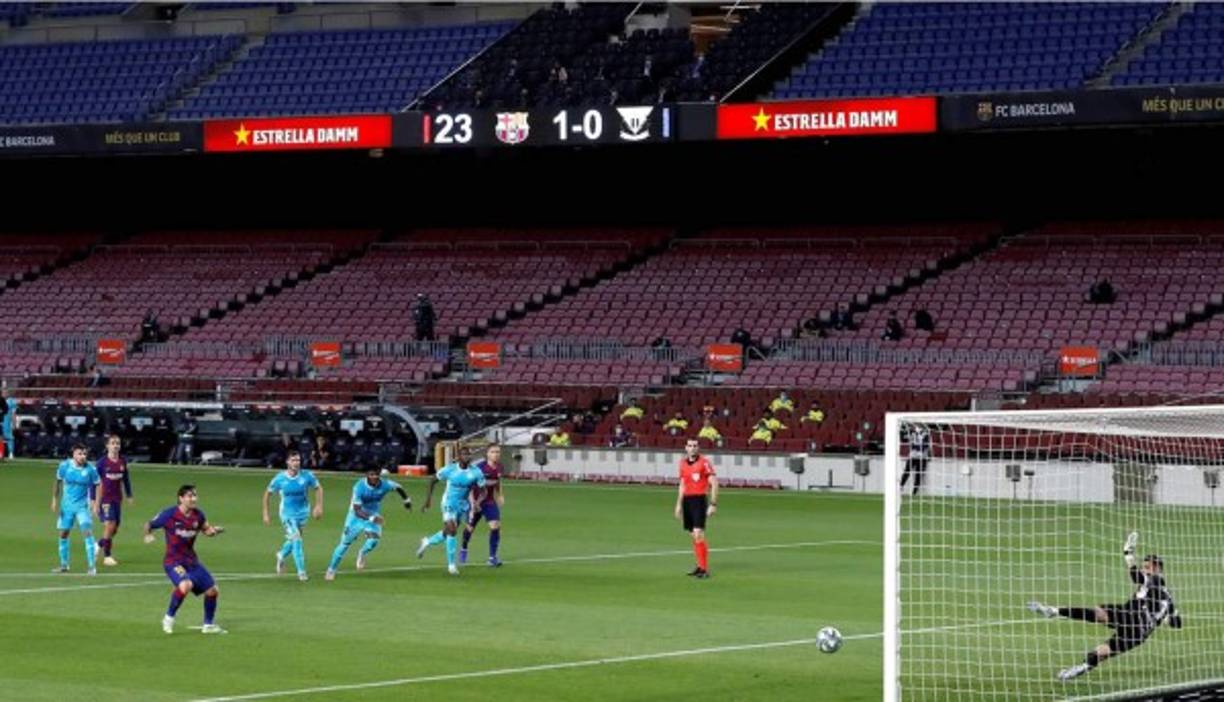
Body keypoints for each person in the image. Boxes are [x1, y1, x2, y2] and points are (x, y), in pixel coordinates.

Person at [1028, 532, 1181, 681]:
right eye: (1144, 566)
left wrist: (1128, 552)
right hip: (1127, 614)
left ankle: (1082, 667)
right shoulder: (1165, 595)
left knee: (1101, 652)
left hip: (1137, 627)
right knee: (1097, 613)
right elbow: (1176, 623)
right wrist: (1166, 617)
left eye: (1147, 567)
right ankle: (1054, 611)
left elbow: (1136, 577)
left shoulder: (1156, 581)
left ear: (1158, 569)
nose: (1144, 569)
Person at [144, 484, 226, 634]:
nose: (193, 499)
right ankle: (168, 618)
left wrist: (214, 531)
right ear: (181, 498)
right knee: (185, 584)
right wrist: (148, 534)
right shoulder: (169, 515)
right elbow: (149, 524)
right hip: (173, 561)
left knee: (213, 591)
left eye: (195, 495)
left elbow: (206, 530)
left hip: (191, 562)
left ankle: (208, 625)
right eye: (189, 496)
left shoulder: (198, 515)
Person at [325, 467, 412, 581]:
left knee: (374, 540)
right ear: (367, 475)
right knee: (345, 544)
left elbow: (399, 487)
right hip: (355, 517)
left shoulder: (385, 485)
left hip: (373, 514)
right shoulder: (359, 487)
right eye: (371, 474)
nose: (374, 477)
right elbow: (357, 510)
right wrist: (372, 519)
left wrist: (406, 501)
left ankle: (362, 553)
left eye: (376, 474)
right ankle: (331, 570)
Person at [418, 446, 486, 575]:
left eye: (469, 455)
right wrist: (428, 500)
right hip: (448, 502)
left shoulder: (476, 472)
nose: (467, 457)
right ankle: (451, 565)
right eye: (464, 454)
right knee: (453, 529)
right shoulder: (449, 469)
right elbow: (432, 480)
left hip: (463, 505)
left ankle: (427, 541)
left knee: (448, 532)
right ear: (459, 457)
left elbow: (483, 490)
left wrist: (477, 503)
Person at [263, 450, 323, 582]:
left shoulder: (307, 476)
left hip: (303, 513)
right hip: (287, 514)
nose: (296, 463)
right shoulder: (279, 479)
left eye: (298, 460)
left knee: (294, 538)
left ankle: (281, 555)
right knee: (297, 540)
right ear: (287, 462)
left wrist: (318, 506)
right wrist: (266, 513)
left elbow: (318, 488)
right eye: (293, 460)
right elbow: (267, 494)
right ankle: (301, 572)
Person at [52, 443, 100, 574]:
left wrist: (95, 503)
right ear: (73, 454)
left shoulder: (91, 469)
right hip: (66, 507)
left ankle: (91, 566)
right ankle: (64, 565)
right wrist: (54, 500)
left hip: (82, 507)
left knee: (87, 532)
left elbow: (98, 484)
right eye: (80, 453)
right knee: (63, 534)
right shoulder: (64, 466)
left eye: (85, 454)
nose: (83, 456)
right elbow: (57, 481)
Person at [674, 439, 718, 579]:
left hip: (699, 500)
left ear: (698, 448)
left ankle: (704, 569)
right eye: (690, 446)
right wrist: (678, 504)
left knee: (698, 533)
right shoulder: (682, 463)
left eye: (695, 446)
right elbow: (682, 484)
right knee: (693, 535)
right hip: (687, 501)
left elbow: (714, 483)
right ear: (686, 448)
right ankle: (699, 566)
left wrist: (713, 503)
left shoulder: (704, 463)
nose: (692, 448)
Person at [460, 444, 505, 567]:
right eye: (493, 452)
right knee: (470, 528)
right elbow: (469, 485)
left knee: (495, 526)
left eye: (498, 452)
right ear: (487, 454)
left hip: (489, 502)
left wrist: (500, 495)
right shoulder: (479, 468)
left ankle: (492, 558)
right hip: (474, 502)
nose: (496, 454)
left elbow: (498, 482)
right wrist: (472, 502)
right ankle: (464, 548)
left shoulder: (500, 467)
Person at [93, 434, 133, 567]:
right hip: (105, 499)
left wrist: (129, 495)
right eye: (113, 443)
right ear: (107, 446)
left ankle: (98, 544)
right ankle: (107, 556)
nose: (116, 446)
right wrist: (93, 501)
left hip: (117, 499)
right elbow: (93, 482)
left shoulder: (122, 461)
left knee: (114, 529)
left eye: (118, 443)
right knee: (110, 524)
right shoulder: (102, 463)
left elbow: (126, 479)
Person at [899, 424, 930, 495]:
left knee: (918, 475)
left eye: (916, 426)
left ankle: (914, 492)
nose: (914, 428)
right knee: (906, 471)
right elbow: (906, 440)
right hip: (913, 456)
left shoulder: (925, 434)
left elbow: (925, 445)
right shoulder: (912, 433)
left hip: (922, 457)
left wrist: (918, 448)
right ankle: (900, 486)